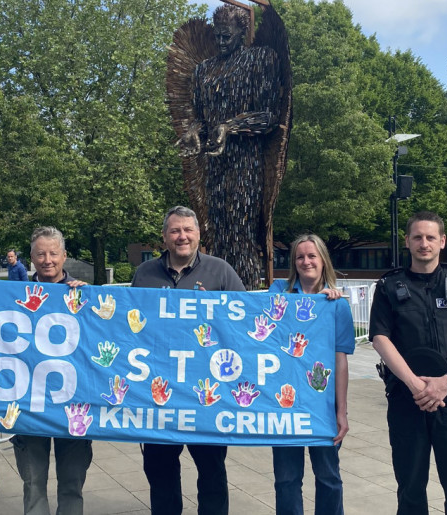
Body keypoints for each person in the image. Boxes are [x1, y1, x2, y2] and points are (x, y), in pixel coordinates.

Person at [369, 211, 447, 515]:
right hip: (407, 400)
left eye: (431, 237)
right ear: (407, 241)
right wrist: (416, 385)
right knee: (410, 490)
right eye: (418, 237)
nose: (424, 243)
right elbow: (380, 339)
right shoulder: (388, 287)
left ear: (442, 241)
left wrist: (446, 382)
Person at [130, 206, 244, 515]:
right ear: (164, 237)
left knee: (212, 472)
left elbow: (244, 325)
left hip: (206, 394)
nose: (182, 236)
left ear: (198, 235)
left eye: (188, 230)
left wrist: (215, 312)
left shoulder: (221, 271)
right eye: (175, 231)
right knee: (160, 471)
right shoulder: (145, 273)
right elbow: (131, 325)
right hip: (159, 393)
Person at [177, 5, 282, 289]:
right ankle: (218, 291)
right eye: (218, 37)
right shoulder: (203, 72)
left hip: (246, 163)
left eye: (228, 37)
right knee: (217, 232)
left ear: (242, 32)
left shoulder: (260, 60)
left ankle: (245, 293)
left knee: (241, 231)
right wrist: (193, 132)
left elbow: (270, 116)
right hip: (214, 166)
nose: (222, 43)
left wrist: (230, 127)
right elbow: (201, 118)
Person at [268, 235, 354, 515]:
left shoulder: (336, 304)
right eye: (300, 257)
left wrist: (342, 410)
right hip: (284, 401)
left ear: (323, 260)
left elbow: (340, 361)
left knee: (329, 476)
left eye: (312, 256)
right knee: (286, 479)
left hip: (322, 404)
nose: (306, 261)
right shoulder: (278, 291)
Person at [11, 226, 91, 515]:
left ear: (64, 256)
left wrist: (88, 301)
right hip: (30, 405)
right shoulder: (14, 295)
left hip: (73, 405)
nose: (47, 259)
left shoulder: (84, 295)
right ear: (31, 257)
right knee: (33, 484)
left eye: (53, 253)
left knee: (72, 484)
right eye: (40, 254)